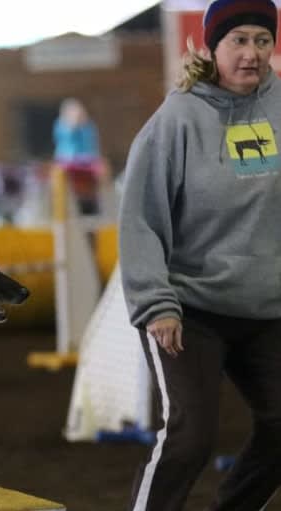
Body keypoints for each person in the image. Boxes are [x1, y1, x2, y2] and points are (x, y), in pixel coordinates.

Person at [119, 1, 281, 510]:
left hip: (268, 308)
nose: (251, 53)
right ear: (212, 47)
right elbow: (141, 217)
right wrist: (156, 303)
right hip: (190, 310)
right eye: (238, 41)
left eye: (261, 39)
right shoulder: (178, 118)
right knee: (191, 438)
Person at [52, 98, 104, 214]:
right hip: (67, 160)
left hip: (87, 161)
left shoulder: (89, 126)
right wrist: (73, 124)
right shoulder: (61, 125)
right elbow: (64, 141)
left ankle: (97, 204)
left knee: (101, 171)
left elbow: (92, 144)